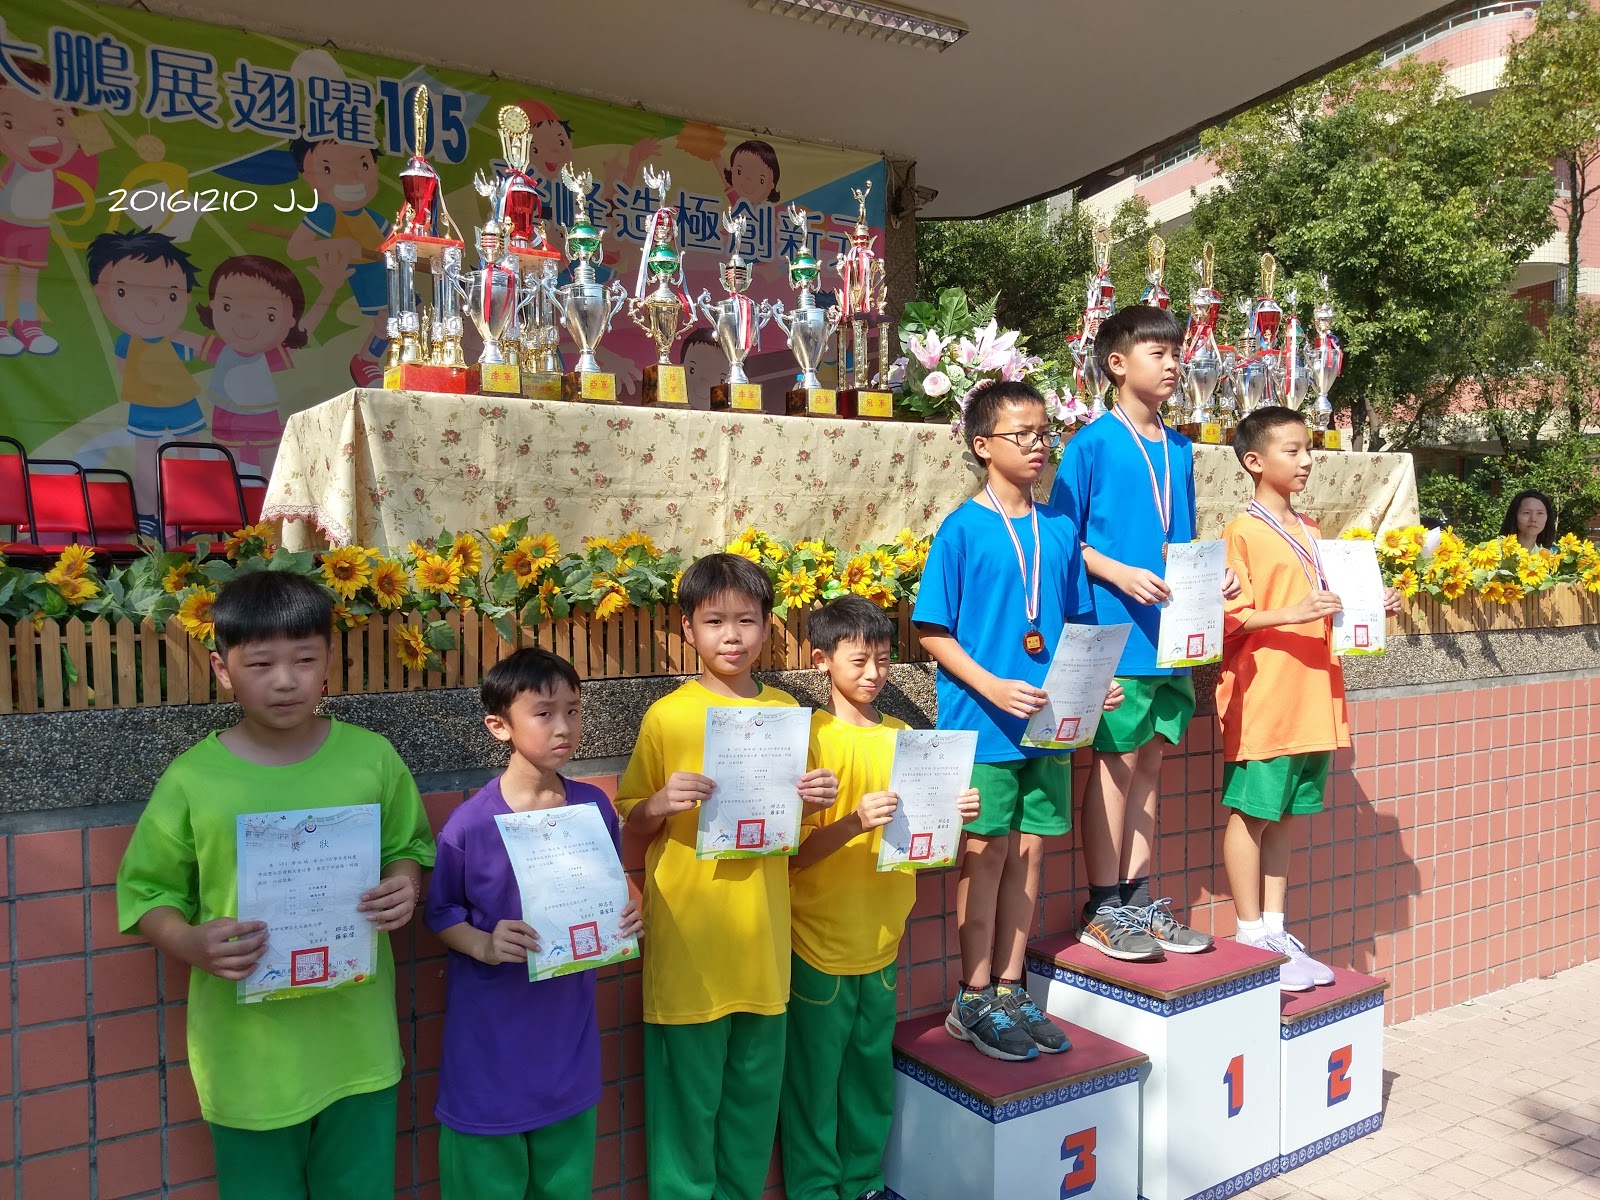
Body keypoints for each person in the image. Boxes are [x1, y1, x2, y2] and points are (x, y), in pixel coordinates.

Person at [115, 571, 435, 1198]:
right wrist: (187, 943)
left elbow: (409, 846)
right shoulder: (193, 779)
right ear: (223, 669)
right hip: (248, 1058)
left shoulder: (371, 758)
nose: (285, 680)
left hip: (358, 1045)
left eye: (304, 660)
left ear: (328, 663)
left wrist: (405, 884)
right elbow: (147, 891)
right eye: (260, 663)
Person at [615, 553, 839, 1200]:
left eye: (746, 620)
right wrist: (659, 803)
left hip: (764, 946)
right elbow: (631, 821)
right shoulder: (668, 716)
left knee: (751, 1107)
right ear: (688, 629)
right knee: (686, 1112)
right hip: (688, 945)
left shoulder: (788, 713)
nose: (732, 635)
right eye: (714, 621)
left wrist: (817, 798)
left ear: (768, 627)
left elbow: (796, 830)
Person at [913, 379, 1119, 1063]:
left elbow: (1079, 626)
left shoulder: (1058, 527)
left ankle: (1011, 987)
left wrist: (1097, 686)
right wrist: (992, 686)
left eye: (1044, 433)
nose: (1037, 445)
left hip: (1050, 726)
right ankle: (972, 996)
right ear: (982, 445)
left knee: (1031, 854)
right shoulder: (961, 529)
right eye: (1021, 434)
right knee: (987, 854)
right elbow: (933, 631)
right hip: (982, 721)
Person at [1049, 305, 1238, 961]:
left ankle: (1137, 898)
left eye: (1175, 353)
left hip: (1171, 636)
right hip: (1115, 632)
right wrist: (1119, 572)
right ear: (1116, 363)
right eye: (1158, 353)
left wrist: (1211, 576)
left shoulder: (1180, 447)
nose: (1173, 365)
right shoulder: (1090, 444)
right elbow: (1064, 540)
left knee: (1150, 768)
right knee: (1115, 767)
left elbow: (1180, 538)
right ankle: (1102, 905)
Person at [781, 596, 981, 1200]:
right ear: (821, 660)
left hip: (884, 937)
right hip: (815, 941)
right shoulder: (809, 738)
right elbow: (791, 856)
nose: (873, 674)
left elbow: (928, 847)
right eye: (859, 660)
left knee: (869, 1070)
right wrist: (852, 824)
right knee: (814, 1078)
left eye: (884, 660)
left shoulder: (906, 738)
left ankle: (864, 1180)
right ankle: (815, 1189)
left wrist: (957, 817)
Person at [426, 647, 642, 1200]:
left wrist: (630, 905)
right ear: (499, 726)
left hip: (568, 1040)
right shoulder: (470, 824)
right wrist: (483, 942)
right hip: (489, 1046)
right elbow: (441, 912)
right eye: (544, 713)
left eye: (573, 710)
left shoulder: (593, 807)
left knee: (564, 1182)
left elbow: (614, 881)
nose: (563, 727)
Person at [1218, 406, 1401, 990]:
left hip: (1315, 691)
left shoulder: (1312, 530)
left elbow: (1330, 605)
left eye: (1308, 451)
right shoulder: (1241, 532)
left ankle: (1275, 928)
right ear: (1254, 461)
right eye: (1292, 451)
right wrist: (1293, 612)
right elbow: (1228, 619)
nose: (1305, 461)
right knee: (1252, 813)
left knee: (1286, 817)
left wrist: (1372, 603)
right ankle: (1249, 932)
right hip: (1266, 692)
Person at [87, 228, 206, 532]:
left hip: (181, 400)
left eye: (171, 295)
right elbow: (123, 368)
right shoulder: (127, 341)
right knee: (146, 455)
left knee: (189, 453)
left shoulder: (176, 338)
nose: (152, 304)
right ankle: (148, 513)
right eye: (124, 292)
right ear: (103, 293)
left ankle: (192, 512)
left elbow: (202, 349)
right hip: (145, 403)